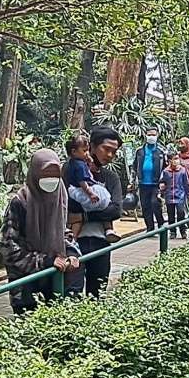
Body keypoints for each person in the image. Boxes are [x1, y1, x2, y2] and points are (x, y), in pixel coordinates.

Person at [0, 149, 82, 312]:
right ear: (35, 173)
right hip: (26, 286)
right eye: (45, 174)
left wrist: (72, 253)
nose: (50, 180)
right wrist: (45, 261)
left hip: (56, 282)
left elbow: (61, 231)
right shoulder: (20, 202)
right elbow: (7, 246)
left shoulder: (60, 195)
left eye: (55, 174)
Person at [75, 126, 125, 296]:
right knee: (70, 294)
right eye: (106, 149)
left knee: (97, 294)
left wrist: (83, 215)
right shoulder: (72, 171)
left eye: (114, 152)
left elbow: (116, 210)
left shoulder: (111, 177)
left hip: (101, 243)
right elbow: (66, 205)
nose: (109, 155)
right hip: (72, 244)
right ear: (92, 147)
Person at [133, 129, 169, 231]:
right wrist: (133, 181)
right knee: (145, 206)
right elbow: (135, 166)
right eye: (149, 134)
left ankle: (160, 224)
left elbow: (165, 168)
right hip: (143, 183)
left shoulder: (161, 152)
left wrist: (164, 182)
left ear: (157, 136)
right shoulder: (140, 151)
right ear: (146, 135)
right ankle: (150, 228)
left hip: (156, 183)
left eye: (153, 135)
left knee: (155, 203)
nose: (151, 136)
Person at [166, 143, 189, 237]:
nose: (176, 161)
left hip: (180, 196)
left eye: (177, 159)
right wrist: (162, 188)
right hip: (169, 197)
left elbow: (186, 183)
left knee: (181, 213)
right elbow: (162, 181)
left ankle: (182, 231)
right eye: (174, 159)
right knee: (170, 215)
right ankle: (172, 232)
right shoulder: (166, 171)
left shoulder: (182, 171)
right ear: (169, 161)